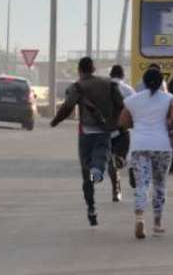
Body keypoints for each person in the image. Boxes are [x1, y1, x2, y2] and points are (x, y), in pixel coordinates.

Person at [51, 57, 124, 226]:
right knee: (101, 157)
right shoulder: (109, 84)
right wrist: (116, 123)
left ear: (79, 70)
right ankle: (96, 171)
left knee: (86, 173)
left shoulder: (77, 86)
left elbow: (67, 107)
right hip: (104, 131)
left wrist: (56, 121)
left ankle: (91, 208)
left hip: (86, 132)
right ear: (94, 68)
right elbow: (121, 104)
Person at [119, 68, 173, 239]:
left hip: (139, 145)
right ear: (162, 81)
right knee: (159, 184)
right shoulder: (169, 98)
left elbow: (123, 123)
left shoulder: (132, 100)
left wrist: (140, 123)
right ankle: (157, 223)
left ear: (144, 82)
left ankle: (140, 218)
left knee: (142, 183)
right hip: (162, 146)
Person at [108, 65, 136, 202]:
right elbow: (136, 108)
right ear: (123, 76)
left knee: (110, 161)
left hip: (105, 130)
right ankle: (121, 161)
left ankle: (116, 188)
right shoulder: (128, 89)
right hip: (122, 130)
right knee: (121, 158)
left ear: (110, 75)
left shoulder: (102, 88)